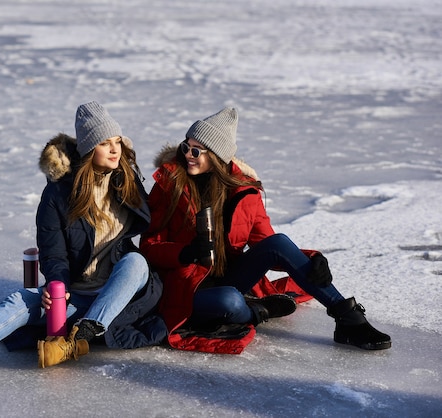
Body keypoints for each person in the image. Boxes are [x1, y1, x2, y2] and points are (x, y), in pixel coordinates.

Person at [0, 101, 166, 377]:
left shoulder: (127, 182)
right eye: (105, 143)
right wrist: (57, 284)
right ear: (89, 149)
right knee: (21, 299)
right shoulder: (58, 195)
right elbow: (53, 251)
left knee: (136, 262)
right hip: (77, 294)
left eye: (118, 142)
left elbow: (162, 218)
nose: (115, 150)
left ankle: (80, 337)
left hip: (119, 295)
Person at [140, 106, 391, 353]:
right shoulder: (169, 186)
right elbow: (149, 246)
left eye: (197, 150)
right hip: (184, 286)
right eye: (185, 146)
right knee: (230, 301)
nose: (188, 155)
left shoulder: (244, 192)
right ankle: (259, 311)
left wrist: (312, 259)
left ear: (218, 156)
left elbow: (270, 245)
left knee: (279, 242)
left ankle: (348, 317)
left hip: (229, 276)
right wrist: (185, 252)